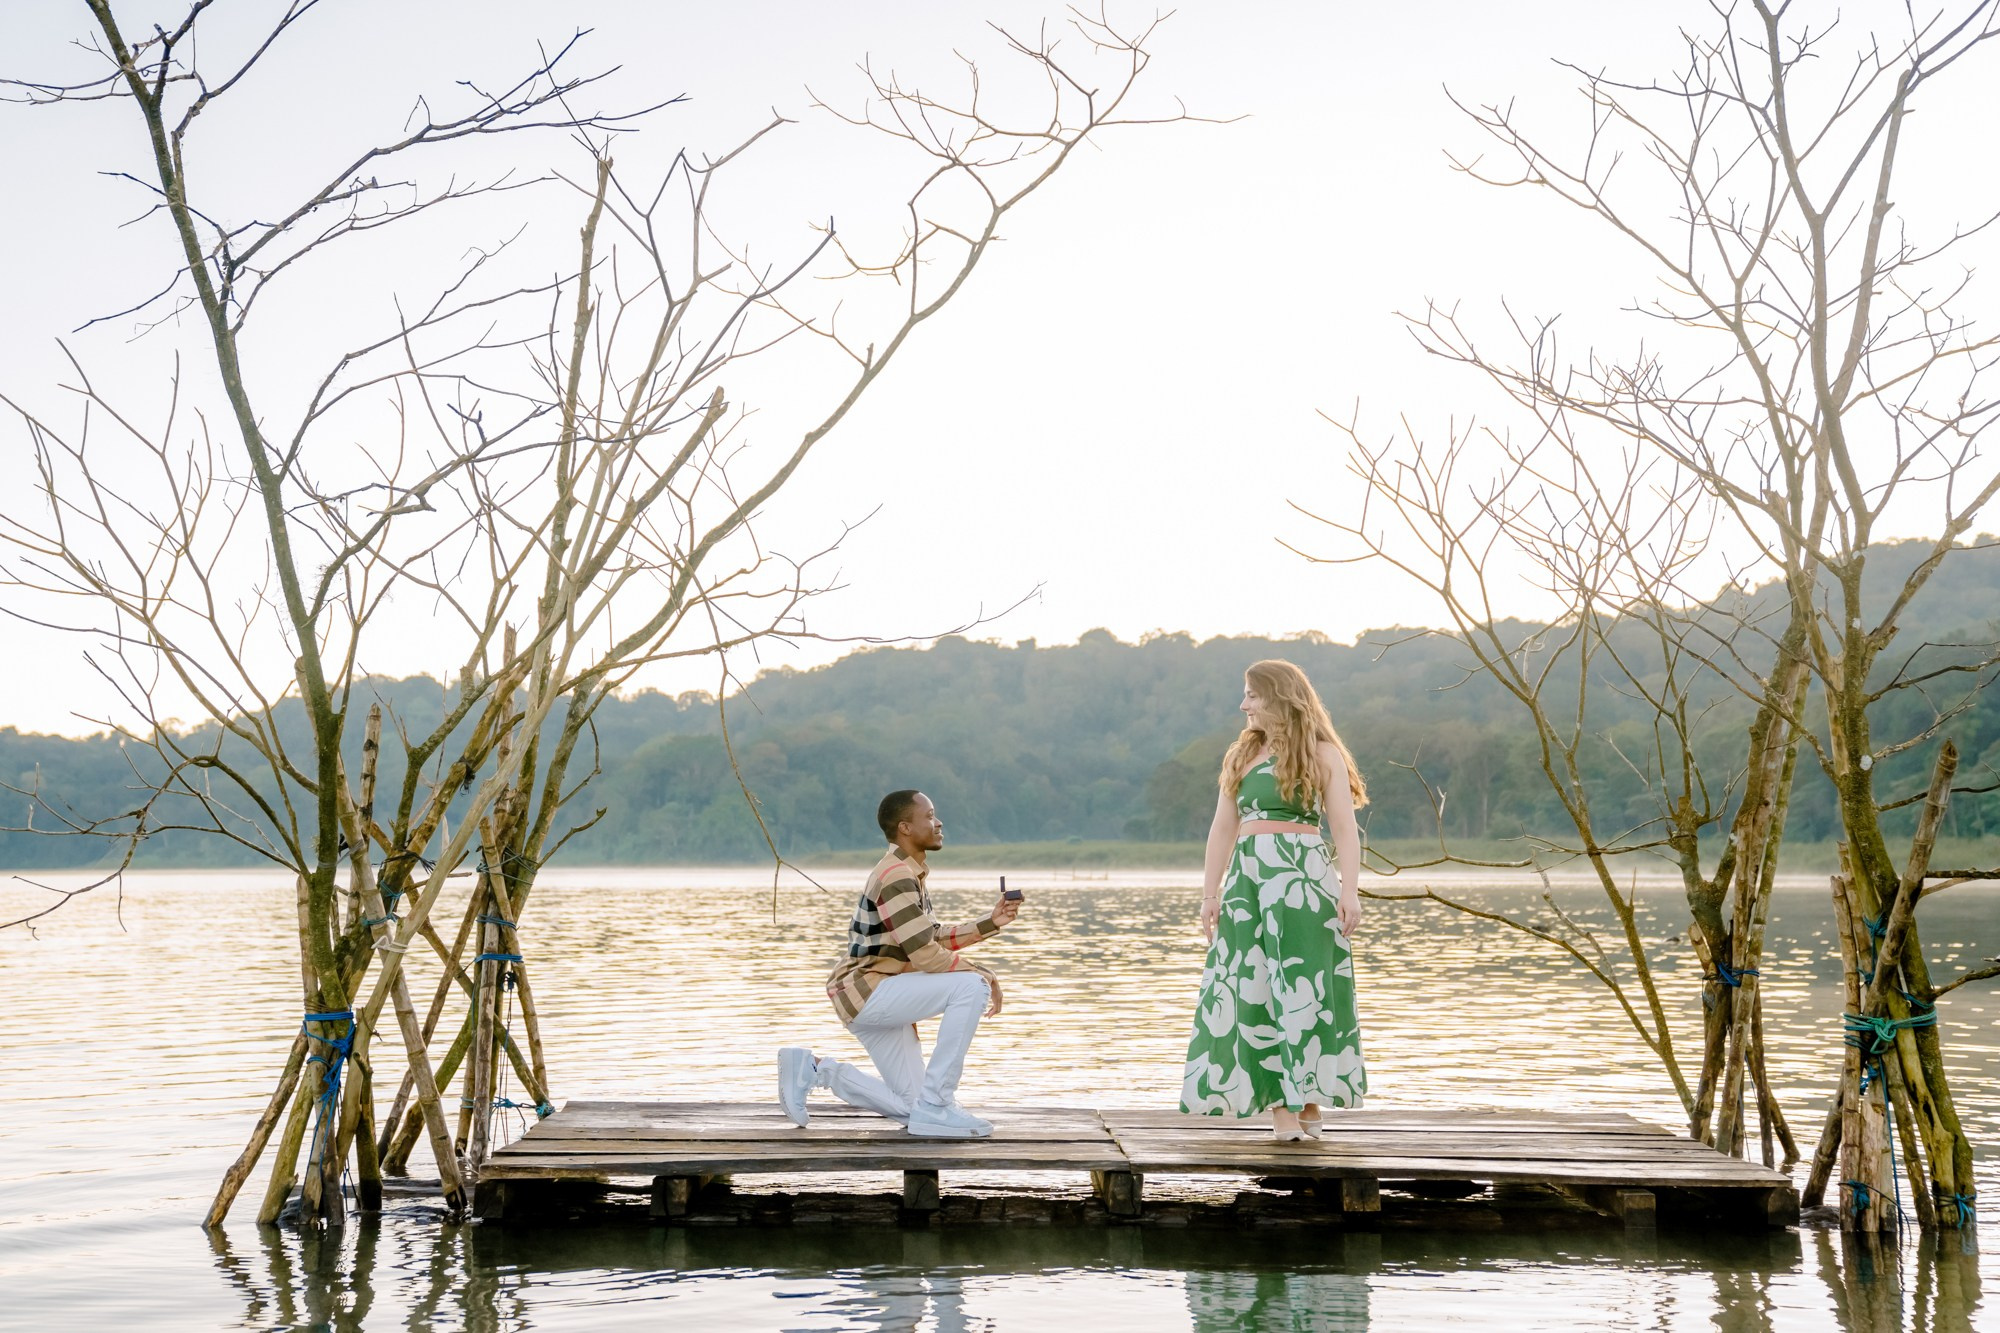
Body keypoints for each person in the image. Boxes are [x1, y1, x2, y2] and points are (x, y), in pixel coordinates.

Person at [1180, 659, 1367, 1140]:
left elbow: (1344, 828)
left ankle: (1309, 1096)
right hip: (1248, 885)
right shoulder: (1241, 755)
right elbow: (1222, 829)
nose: (1243, 705)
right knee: (1255, 988)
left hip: (1305, 883)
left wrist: (1349, 891)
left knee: (1309, 990)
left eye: (1252, 695)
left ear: (1279, 697)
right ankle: (1281, 1107)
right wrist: (1209, 894)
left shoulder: (1322, 754)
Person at [778, 789, 1021, 1138]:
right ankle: (938, 1104)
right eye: (930, 816)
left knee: (912, 1108)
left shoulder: (906, 873)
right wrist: (983, 973)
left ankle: (816, 1070)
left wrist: (991, 922)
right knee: (971, 986)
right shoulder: (895, 875)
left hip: (871, 994)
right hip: (869, 991)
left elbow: (927, 938)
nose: (939, 823)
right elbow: (924, 955)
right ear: (905, 828)